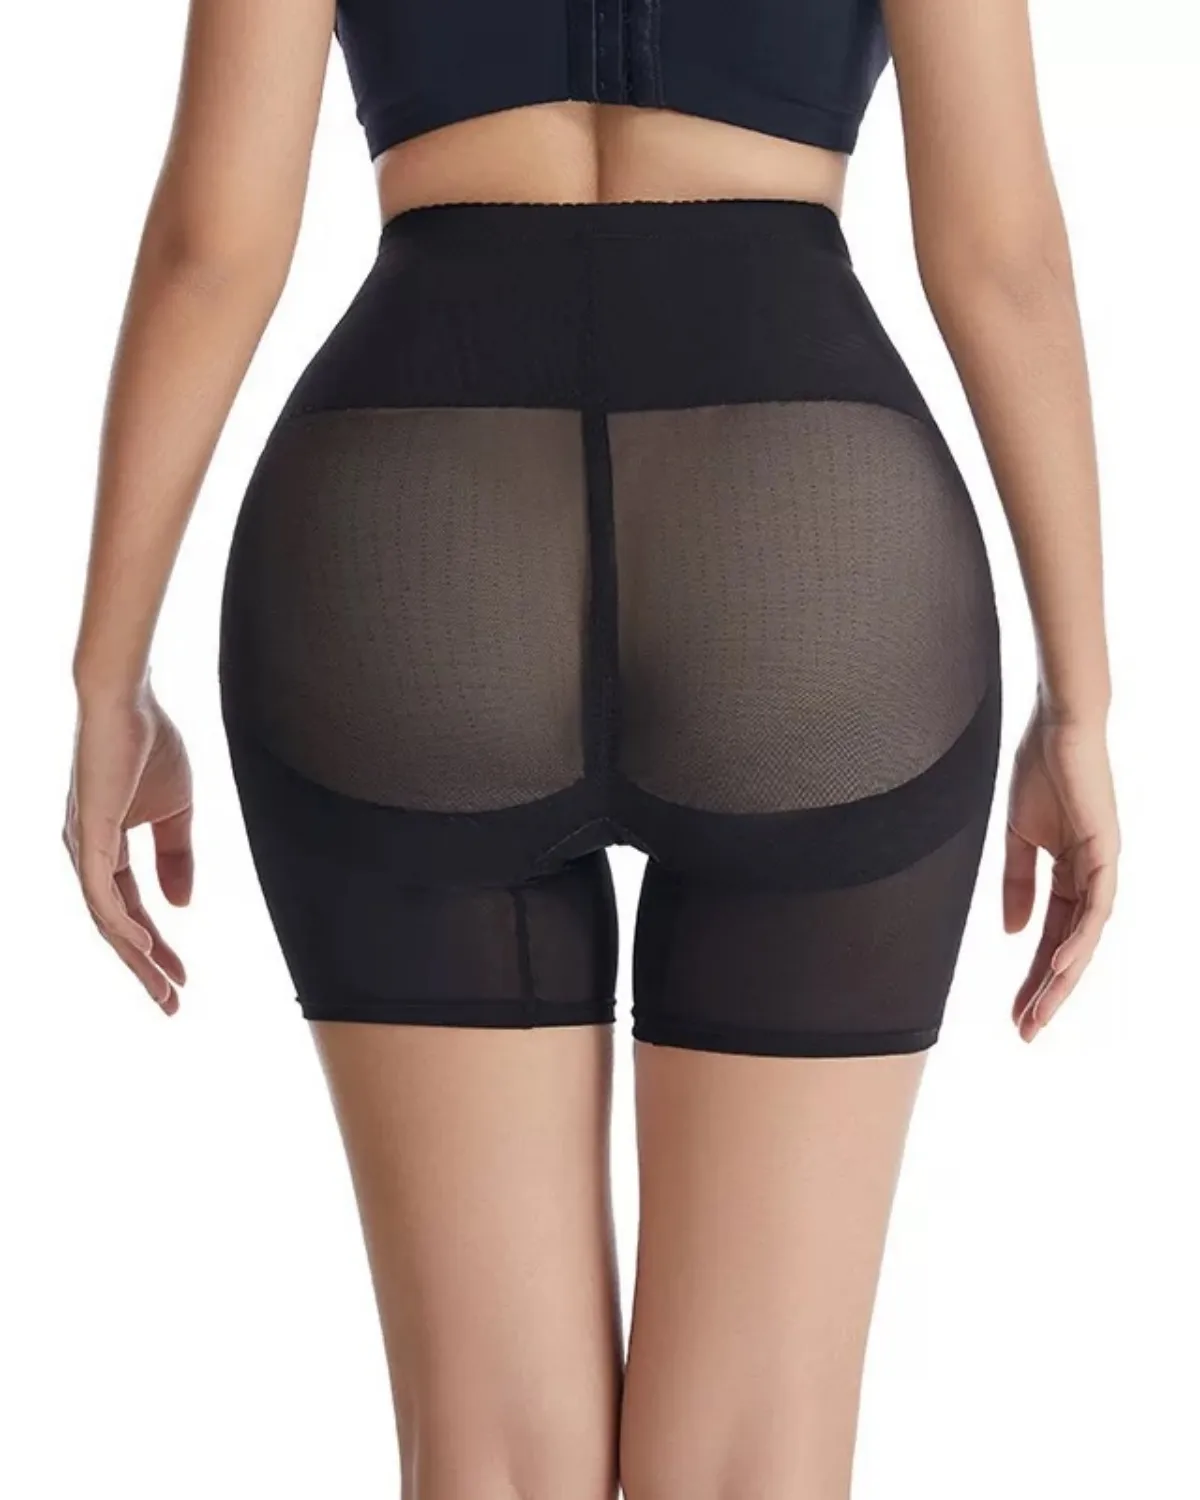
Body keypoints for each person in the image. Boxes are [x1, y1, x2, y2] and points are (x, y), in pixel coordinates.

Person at [62, 1, 1120, 1494]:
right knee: (757, 1459)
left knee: (490, 1457)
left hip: (413, 541)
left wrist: (107, 679)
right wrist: (1081, 703)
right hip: (806, 542)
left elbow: (212, 247)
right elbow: (1001, 256)